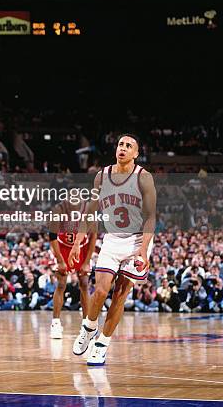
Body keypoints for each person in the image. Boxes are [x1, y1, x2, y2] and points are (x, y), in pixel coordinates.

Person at [70, 134, 156, 366]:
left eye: (129, 146)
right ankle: (89, 327)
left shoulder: (144, 177)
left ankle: (102, 345)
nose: (123, 148)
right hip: (112, 239)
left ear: (136, 154)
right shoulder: (102, 176)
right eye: (121, 144)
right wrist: (78, 241)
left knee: (120, 295)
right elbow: (90, 211)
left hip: (137, 242)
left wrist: (143, 250)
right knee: (100, 291)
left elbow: (151, 217)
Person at [48, 194, 96, 339]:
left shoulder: (89, 210)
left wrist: (87, 262)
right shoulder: (58, 209)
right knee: (61, 283)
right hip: (62, 247)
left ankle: (86, 325)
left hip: (82, 246)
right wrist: (60, 260)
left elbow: (93, 236)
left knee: (84, 283)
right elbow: (52, 236)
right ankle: (55, 323)